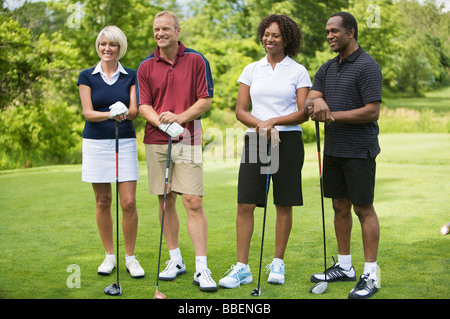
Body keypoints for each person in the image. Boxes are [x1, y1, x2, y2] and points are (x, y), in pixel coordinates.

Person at [218, 14, 311, 289]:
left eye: (276, 35)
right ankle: (242, 268)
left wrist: (273, 122)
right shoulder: (251, 69)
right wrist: (262, 125)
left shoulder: (298, 71)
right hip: (257, 140)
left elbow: (303, 113)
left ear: (287, 39)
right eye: (266, 34)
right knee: (245, 203)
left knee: (284, 203)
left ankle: (278, 263)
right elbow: (240, 111)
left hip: (289, 141)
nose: (269, 39)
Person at [136, 11, 217, 292]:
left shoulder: (196, 60)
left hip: (188, 139)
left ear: (178, 31)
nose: (161, 33)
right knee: (165, 199)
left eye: (166, 28)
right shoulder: (145, 66)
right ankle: (175, 259)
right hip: (156, 141)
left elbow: (205, 100)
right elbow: (143, 105)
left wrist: (179, 119)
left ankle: (202, 267)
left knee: (193, 200)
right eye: (157, 29)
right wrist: (162, 123)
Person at [304, 12, 382, 299]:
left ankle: (371, 274)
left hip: (359, 150)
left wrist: (330, 113)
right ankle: (345, 266)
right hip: (333, 150)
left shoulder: (367, 66)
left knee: (363, 209)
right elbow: (309, 101)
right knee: (339, 206)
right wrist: (318, 99)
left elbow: (372, 111)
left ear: (351, 32)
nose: (329, 36)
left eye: (335, 31)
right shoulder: (327, 67)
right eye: (327, 31)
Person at [77, 26, 145, 278]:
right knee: (103, 201)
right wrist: (111, 113)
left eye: (112, 44)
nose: (107, 48)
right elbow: (88, 113)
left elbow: (135, 110)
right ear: (99, 46)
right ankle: (109, 256)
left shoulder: (132, 75)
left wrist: (124, 112)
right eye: (103, 44)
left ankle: (130, 257)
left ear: (120, 48)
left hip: (124, 142)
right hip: (95, 144)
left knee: (128, 202)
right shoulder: (87, 76)